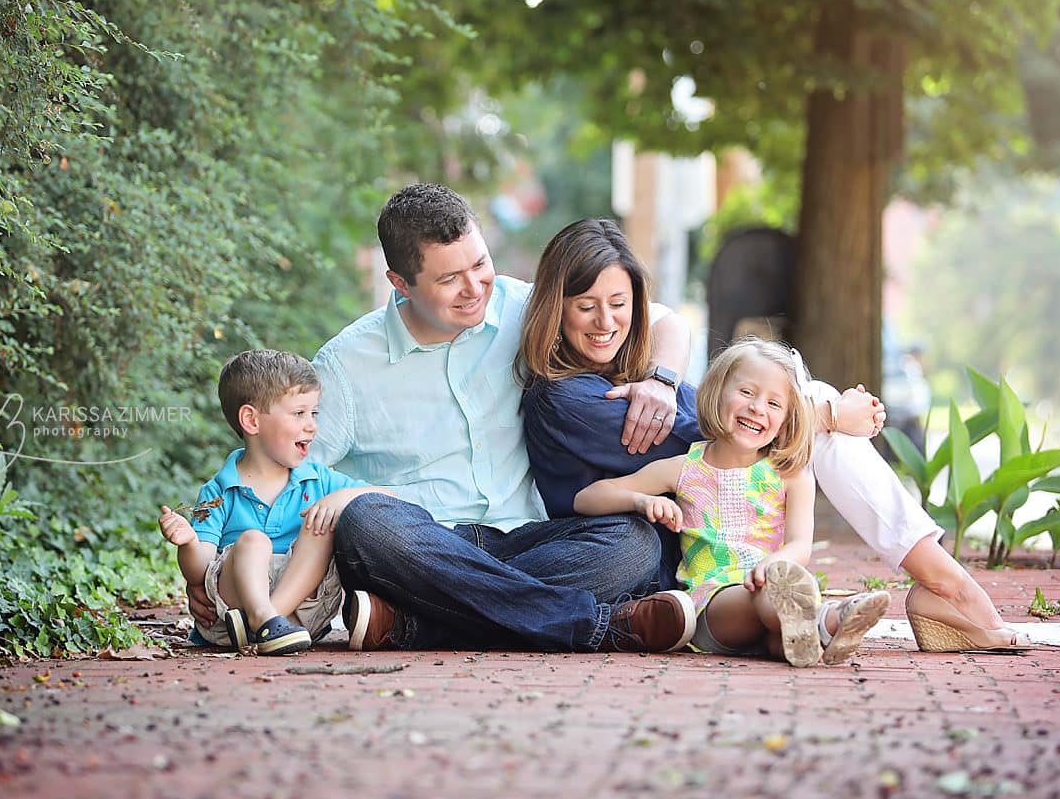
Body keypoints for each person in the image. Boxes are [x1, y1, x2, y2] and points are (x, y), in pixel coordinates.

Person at [518, 218, 1032, 653]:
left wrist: (664, 375)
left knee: (797, 411)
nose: (607, 321)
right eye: (586, 306)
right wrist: (827, 410)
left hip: (704, 553)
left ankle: (919, 592)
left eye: (619, 303)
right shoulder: (568, 398)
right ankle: (946, 585)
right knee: (808, 410)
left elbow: (678, 339)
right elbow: (721, 430)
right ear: (555, 308)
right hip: (649, 560)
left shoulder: (629, 375)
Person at [297, 183, 698, 653]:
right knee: (365, 521)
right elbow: (288, 473)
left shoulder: (523, 307)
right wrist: (219, 567)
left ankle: (417, 625)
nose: (473, 290)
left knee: (634, 543)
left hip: (533, 538)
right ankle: (600, 626)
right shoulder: (346, 366)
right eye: (449, 279)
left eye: (480, 265)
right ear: (401, 283)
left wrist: (662, 380)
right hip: (425, 544)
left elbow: (665, 321)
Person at [576, 338, 890, 666]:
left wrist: (772, 565)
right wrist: (641, 501)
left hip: (773, 585)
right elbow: (588, 498)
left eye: (774, 403)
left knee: (780, 633)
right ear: (717, 391)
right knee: (771, 597)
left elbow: (800, 545)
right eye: (747, 393)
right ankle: (829, 619)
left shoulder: (791, 474)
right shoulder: (685, 468)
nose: (757, 408)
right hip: (713, 607)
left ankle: (812, 634)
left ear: (787, 419)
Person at [161, 349, 380, 656]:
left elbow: (385, 498)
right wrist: (186, 543)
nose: (312, 425)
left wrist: (342, 497)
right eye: (299, 413)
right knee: (253, 541)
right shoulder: (218, 491)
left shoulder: (319, 480)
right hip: (231, 612)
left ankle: (269, 623)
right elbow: (199, 571)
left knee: (322, 524)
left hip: (303, 612)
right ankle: (265, 620)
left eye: (313, 413)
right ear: (251, 420)